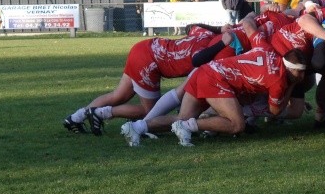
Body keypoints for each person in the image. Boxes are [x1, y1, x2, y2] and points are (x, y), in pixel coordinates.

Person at [122, 19, 307, 146]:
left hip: (205, 71)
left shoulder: (267, 49)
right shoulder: (279, 80)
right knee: (237, 124)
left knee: (181, 116)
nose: (303, 77)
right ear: (291, 69)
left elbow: (249, 24)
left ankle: (136, 127)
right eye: (300, 72)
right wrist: (291, 86)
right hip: (216, 80)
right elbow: (275, 111)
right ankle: (189, 127)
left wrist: (251, 17)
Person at [62, 25, 226, 135]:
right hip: (149, 62)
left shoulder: (206, 33)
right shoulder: (209, 53)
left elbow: (192, 26)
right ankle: (100, 113)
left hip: (144, 48)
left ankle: (75, 118)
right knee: (150, 111)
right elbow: (198, 61)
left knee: (118, 95)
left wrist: (219, 28)